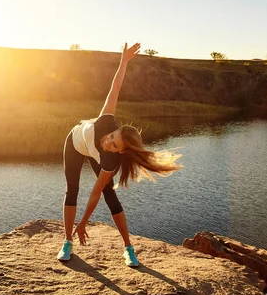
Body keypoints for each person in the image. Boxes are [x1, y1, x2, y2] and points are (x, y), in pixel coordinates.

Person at [57, 42, 181, 267]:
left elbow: (95, 194)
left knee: (110, 195)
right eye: (112, 137)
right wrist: (123, 62)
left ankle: (128, 248)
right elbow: (116, 87)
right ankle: (67, 242)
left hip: (93, 156)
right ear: (114, 130)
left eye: (114, 146)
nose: (108, 143)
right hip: (75, 143)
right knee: (71, 189)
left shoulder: (110, 161)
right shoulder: (106, 121)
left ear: (121, 152)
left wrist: (84, 222)